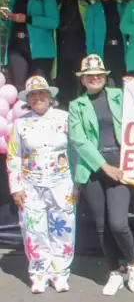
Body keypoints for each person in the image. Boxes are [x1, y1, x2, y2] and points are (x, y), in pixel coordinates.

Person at [67, 54, 134, 296]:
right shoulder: (75, 105)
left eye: (99, 74)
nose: (95, 78)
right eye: (89, 75)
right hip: (92, 170)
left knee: (118, 224)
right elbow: (79, 141)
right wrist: (104, 167)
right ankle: (114, 272)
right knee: (101, 227)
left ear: (105, 76)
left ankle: (133, 265)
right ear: (83, 79)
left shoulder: (120, 96)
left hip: (119, 167)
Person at [6, 76, 75, 294]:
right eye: (33, 95)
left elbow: (75, 151)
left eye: (41, 93)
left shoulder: (65, 119)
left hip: (61, 183)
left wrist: (78, 183)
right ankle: (39, 274)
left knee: (63, 228)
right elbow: (13, 156)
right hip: (30, 185)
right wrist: (16, 187)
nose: (38, 98)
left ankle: (60, 273)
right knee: (34, 229)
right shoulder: (20, 123)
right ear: (28, 99)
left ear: (50, 96)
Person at [2, 0, 59, 91]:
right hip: (16, 45)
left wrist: (28, 19)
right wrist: (6, 17)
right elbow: (10, 23)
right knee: (17, 86)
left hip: (39, 49)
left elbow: (54, 22)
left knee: (39, 87)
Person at [54, 0, 90, 107]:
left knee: (81, 89)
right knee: (62, 89)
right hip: (60, 55)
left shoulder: (86, 5)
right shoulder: (55, 5)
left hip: (82, 55)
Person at [85, 0, 127, 88]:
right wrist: (91, 56)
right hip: (103, 51)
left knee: (121, 82)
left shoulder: (121, 7)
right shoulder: (92, 9)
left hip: (119, 50)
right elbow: (89, 36)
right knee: (106, 84)